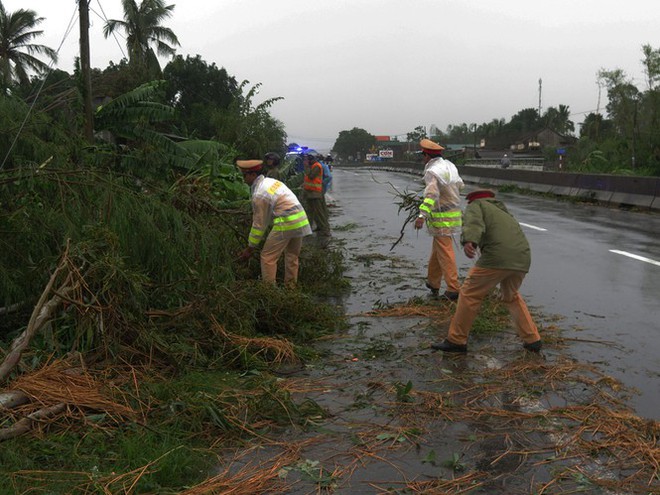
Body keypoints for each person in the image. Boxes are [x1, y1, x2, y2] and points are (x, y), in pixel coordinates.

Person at [431, 189, 542, 353]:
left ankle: (456, 339)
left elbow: (474, 223)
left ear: (472, 199)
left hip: (497, 257)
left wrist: (470, 241)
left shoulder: (476, 205)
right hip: (522, 258)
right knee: (511, 296)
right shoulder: (502, 210)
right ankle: (532, 339)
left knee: (469, 293)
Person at [237, 159, 312, 285]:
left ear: (253, 175)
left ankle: (269, 291)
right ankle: (291, 288)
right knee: (292, 256)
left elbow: (259, 225)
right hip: (300, 219)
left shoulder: (259, 194)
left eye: (245, 175)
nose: (243, 179)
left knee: (267, 257)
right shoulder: (270, 182)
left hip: (287, 221)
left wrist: (250, 248)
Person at [414, 138, 464, 301]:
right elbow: (460, 186)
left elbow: (432, 195)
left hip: (441, 217)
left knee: (445, 251)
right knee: (439, 249)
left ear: (427, 156)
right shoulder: (450, 166)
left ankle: (453, 288)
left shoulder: (432, 171)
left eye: (423, 155)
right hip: (453, 213)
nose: (423, 158)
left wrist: (422, 215)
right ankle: (433, 282)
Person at [302, 153, 331, 244]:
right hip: (310, 193)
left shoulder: (317, 166)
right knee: (310, 212)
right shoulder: (313, 166)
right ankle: (309, 229)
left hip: (315, 193)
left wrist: (306, 167)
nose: (305, 162)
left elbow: (311, 176)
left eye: (306, 160)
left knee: (319, 213)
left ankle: (325, 231)